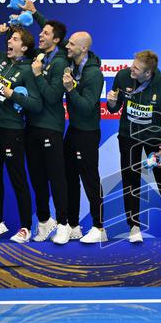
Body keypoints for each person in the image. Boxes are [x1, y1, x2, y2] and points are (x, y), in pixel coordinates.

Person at [107, 50, 161, 244]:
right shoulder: (122, 76)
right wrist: (111, 103)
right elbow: (115, 107)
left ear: (148, 74)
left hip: (155, 139)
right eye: (132, 65)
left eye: (136, 68)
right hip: (128, 137)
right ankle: (134, 227)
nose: (131, 69)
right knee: (130, 180)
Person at [0, 23, 42, 242]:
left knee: (18, 180)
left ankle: (25, 227)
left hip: (12, 132)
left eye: (14, 39)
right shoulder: (2, 61)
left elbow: (35, 104)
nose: (9, 42)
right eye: (10, 39)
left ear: (24, 48)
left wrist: (12, 95)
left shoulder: (27, 71)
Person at [19, 0, 71, 245]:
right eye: (41, 32)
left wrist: (38, 75)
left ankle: (63, 224)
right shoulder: (40, 55)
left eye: (46, 34)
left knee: (56, 178)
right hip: (32, 126)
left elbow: (51, 96)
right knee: (37, 176)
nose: (41, 35)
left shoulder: (60, 61)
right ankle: (43, 221)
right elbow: (47, 28)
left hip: (51, 126)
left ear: (57, 40)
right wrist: (34, 13)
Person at [64, 32, 108, 242]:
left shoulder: (94, 75)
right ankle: (73, 225)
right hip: (72, 131)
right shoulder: (71, 62)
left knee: (90, 179)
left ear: (83, 49)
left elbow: (86, 107)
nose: (67, 46)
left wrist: (71, 89)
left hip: (87, 134)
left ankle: (99, 228)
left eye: (71, 44)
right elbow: (53, 36)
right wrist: (35, 14)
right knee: (69, 177)